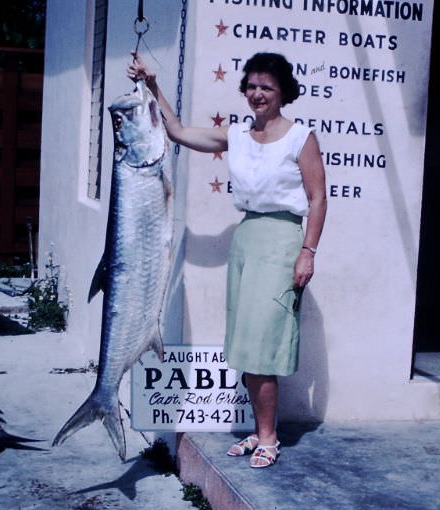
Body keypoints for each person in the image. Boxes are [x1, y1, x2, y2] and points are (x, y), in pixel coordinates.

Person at [128, 51, 327, 468]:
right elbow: (179, 131)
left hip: (282, 240)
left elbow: (317, 197)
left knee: (263, 345)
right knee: (244, 342)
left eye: (267, 88)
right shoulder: (236, 134)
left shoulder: (300, 137)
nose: (258, 94)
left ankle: (269, 437)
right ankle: (260, 430)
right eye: (252, 86)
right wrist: (151, 86)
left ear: (282, 93)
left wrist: (307, 252)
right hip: (247, 236)